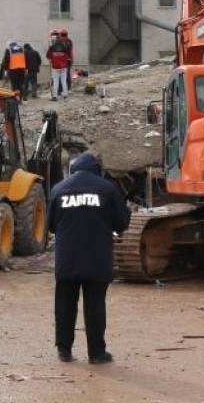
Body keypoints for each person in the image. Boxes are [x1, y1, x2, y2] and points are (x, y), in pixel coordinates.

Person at [46, 153, 130, 364]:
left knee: (65, 305)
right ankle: (97, 353)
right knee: (95, 306)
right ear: (96, 169)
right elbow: (121, 223)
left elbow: (51, 225)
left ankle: (64, 350)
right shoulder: (108, 189)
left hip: (67, 260)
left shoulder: (58, 189)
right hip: (97, 259)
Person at [47, 33, 72, 101]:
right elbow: (68, 55)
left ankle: (55, 96)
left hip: (55, 67)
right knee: (64, 81)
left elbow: (48, 56)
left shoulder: (52, 47)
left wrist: (53, 57)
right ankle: (65, 95)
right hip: (64, 67)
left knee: (55, 82)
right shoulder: (64, 46)